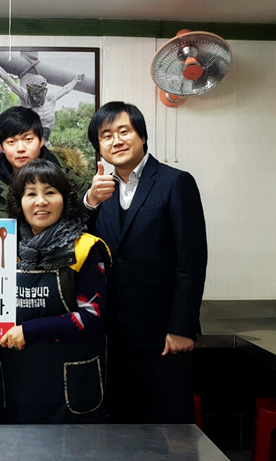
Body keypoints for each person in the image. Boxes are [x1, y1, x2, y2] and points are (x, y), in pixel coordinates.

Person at [84, 101, 208, 424]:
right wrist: (90, 202)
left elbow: (192, 261)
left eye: (124, 131)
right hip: (114, 331)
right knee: (124, 423)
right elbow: (83, 245)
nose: (116, 141)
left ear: (141, 135)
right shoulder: (101, 191)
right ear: (99, 147)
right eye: (106, 136)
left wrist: (182, 327)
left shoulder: (175, 182)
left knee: (170, 425)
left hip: (163, 332)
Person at [0, 159, 110, 423]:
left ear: (65, 199)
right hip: (18, 377)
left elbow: (91, 318)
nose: (41, 202)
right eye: (30, 194)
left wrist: (28, 331)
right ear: (19, 202)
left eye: (50, 192)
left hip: (71, 382)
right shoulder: (4, 250)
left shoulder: (85, 249)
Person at [0, 106, 90, 218]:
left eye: (28, 139)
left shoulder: (70, 181)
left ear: (41, 141)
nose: (20, 149)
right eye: (11, 142)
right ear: (2, 148)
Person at [0, 52, 84, 140]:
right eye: (33, 94)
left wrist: (75, 80)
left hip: (45, 139)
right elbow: (5, 77)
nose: (35, 97)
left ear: (44, 91)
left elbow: (65, 89)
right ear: (30, 92)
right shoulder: (25, 97)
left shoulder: (51, 99)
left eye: (38, 93)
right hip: (29, 138)